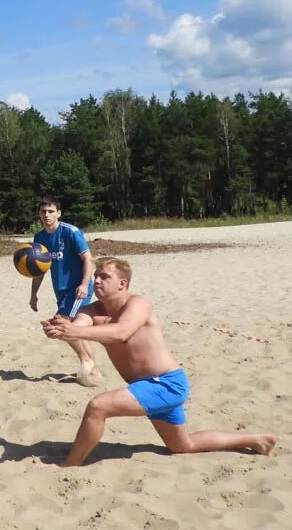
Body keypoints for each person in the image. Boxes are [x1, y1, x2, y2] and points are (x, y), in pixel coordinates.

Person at [39, 257, 277, 467]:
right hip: (147, 387)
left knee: (97, 407)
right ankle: (256, 440)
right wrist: (60, 329)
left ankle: (70, 464)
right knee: (184, 445)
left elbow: (121, 332)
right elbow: (79, 327)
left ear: (123, 284)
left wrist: (72, 331)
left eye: (104, 277)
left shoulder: (138, 304)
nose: (97, 282)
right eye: (95, 277)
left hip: (166, 384)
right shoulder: (91, 311)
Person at [29, 197, 99, 386]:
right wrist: (33, 294)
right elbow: (39, 269)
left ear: (59, 213)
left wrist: (84, 285)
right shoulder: (39, 238)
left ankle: (86, 361)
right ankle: (94, 372)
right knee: (73, 328)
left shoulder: (70, 232)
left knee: (61, 324)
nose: (46, 215)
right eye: (43, 211)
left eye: (51, 211)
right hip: (60, 290)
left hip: (77, 288)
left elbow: (87, 259)